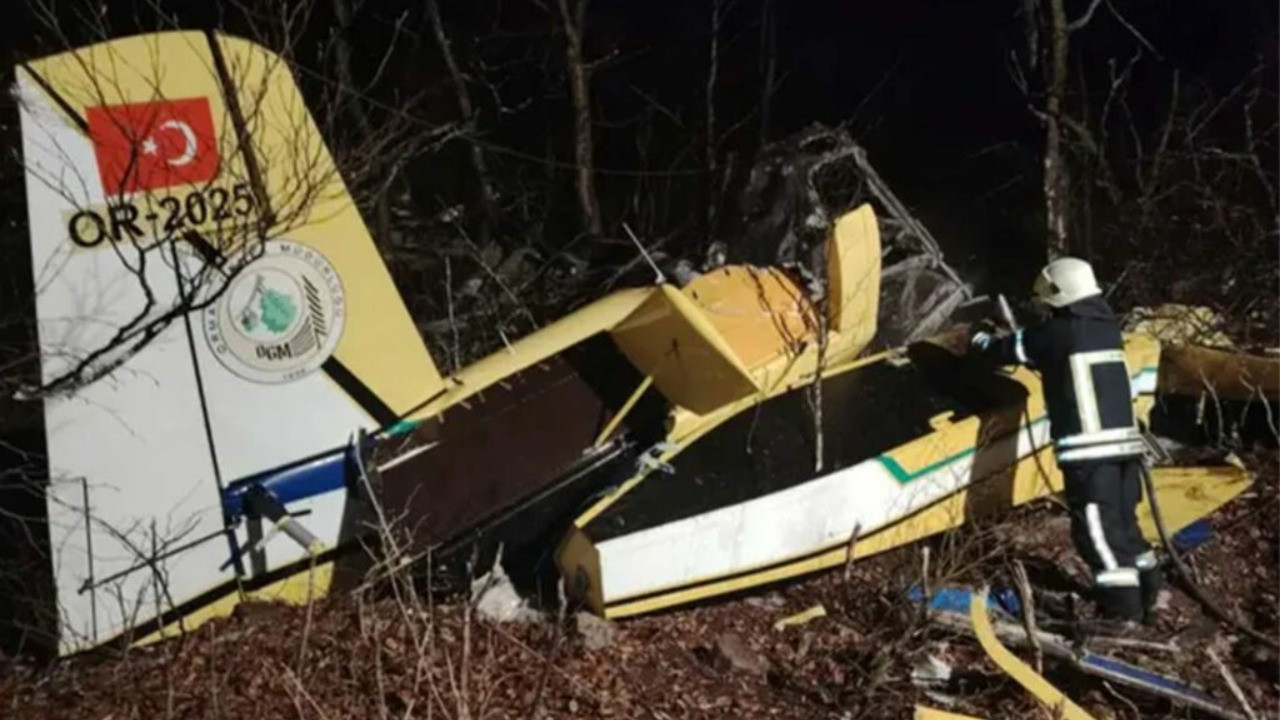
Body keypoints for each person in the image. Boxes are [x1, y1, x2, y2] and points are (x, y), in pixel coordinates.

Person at [969, 257, 1162, 626]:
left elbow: (1001, 352)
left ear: (1057, 294)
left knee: (1097, 531)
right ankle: (1150, 594)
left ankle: (1122, 610)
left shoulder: (1058, 332)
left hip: (1091, 453)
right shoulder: (1105, 327)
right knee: (1125, 524)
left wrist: (977, 336)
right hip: (1126, 448)